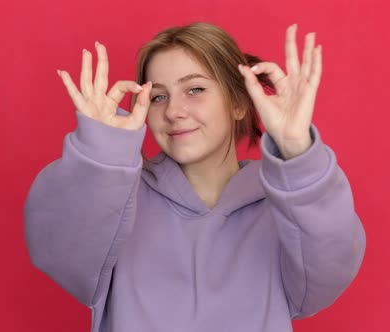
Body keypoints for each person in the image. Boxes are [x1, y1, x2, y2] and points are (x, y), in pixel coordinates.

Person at [24, 22, 366, 332]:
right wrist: (101, 153)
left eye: (195, 90)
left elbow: (329, 271)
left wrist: (297, 153)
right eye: (158, 96)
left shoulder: (284, 207)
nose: (173, 111)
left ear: (239, 102)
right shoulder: (117, 198)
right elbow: (58, 250)